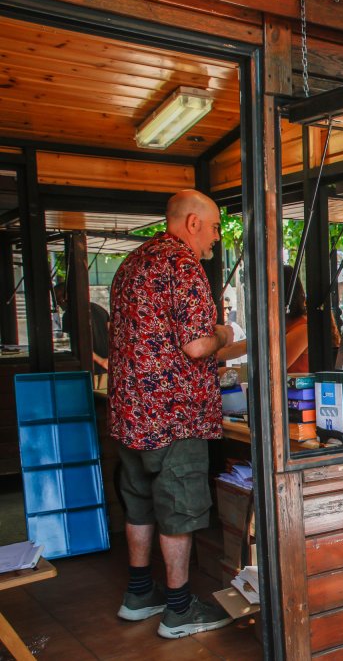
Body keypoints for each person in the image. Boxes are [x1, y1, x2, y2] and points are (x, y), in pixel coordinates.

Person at [107, 189, 234, 638]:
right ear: (193, 222)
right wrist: (226, 332)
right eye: (216, 227)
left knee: (139, 502)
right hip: (173, 413)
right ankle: (179, 610)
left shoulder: (131, 263)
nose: (217, 239)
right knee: (179, 507)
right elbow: (197, 344)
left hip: (130, 411)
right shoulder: (182, 264)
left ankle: (140, 593)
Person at [217, 265, 338, 373]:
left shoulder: (303, 329)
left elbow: (272, 369)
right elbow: (246, 346)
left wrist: (228, 372)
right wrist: (208, 351)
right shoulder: (281, 327)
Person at [52, 280, 110, 376]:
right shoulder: (99, 308)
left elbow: (79, 345)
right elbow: (114, 336)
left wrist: (101, 361)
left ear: (65, 297)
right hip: (107, 366)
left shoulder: (69, 315)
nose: (58, 304)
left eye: (58, 299)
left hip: (91, 367)